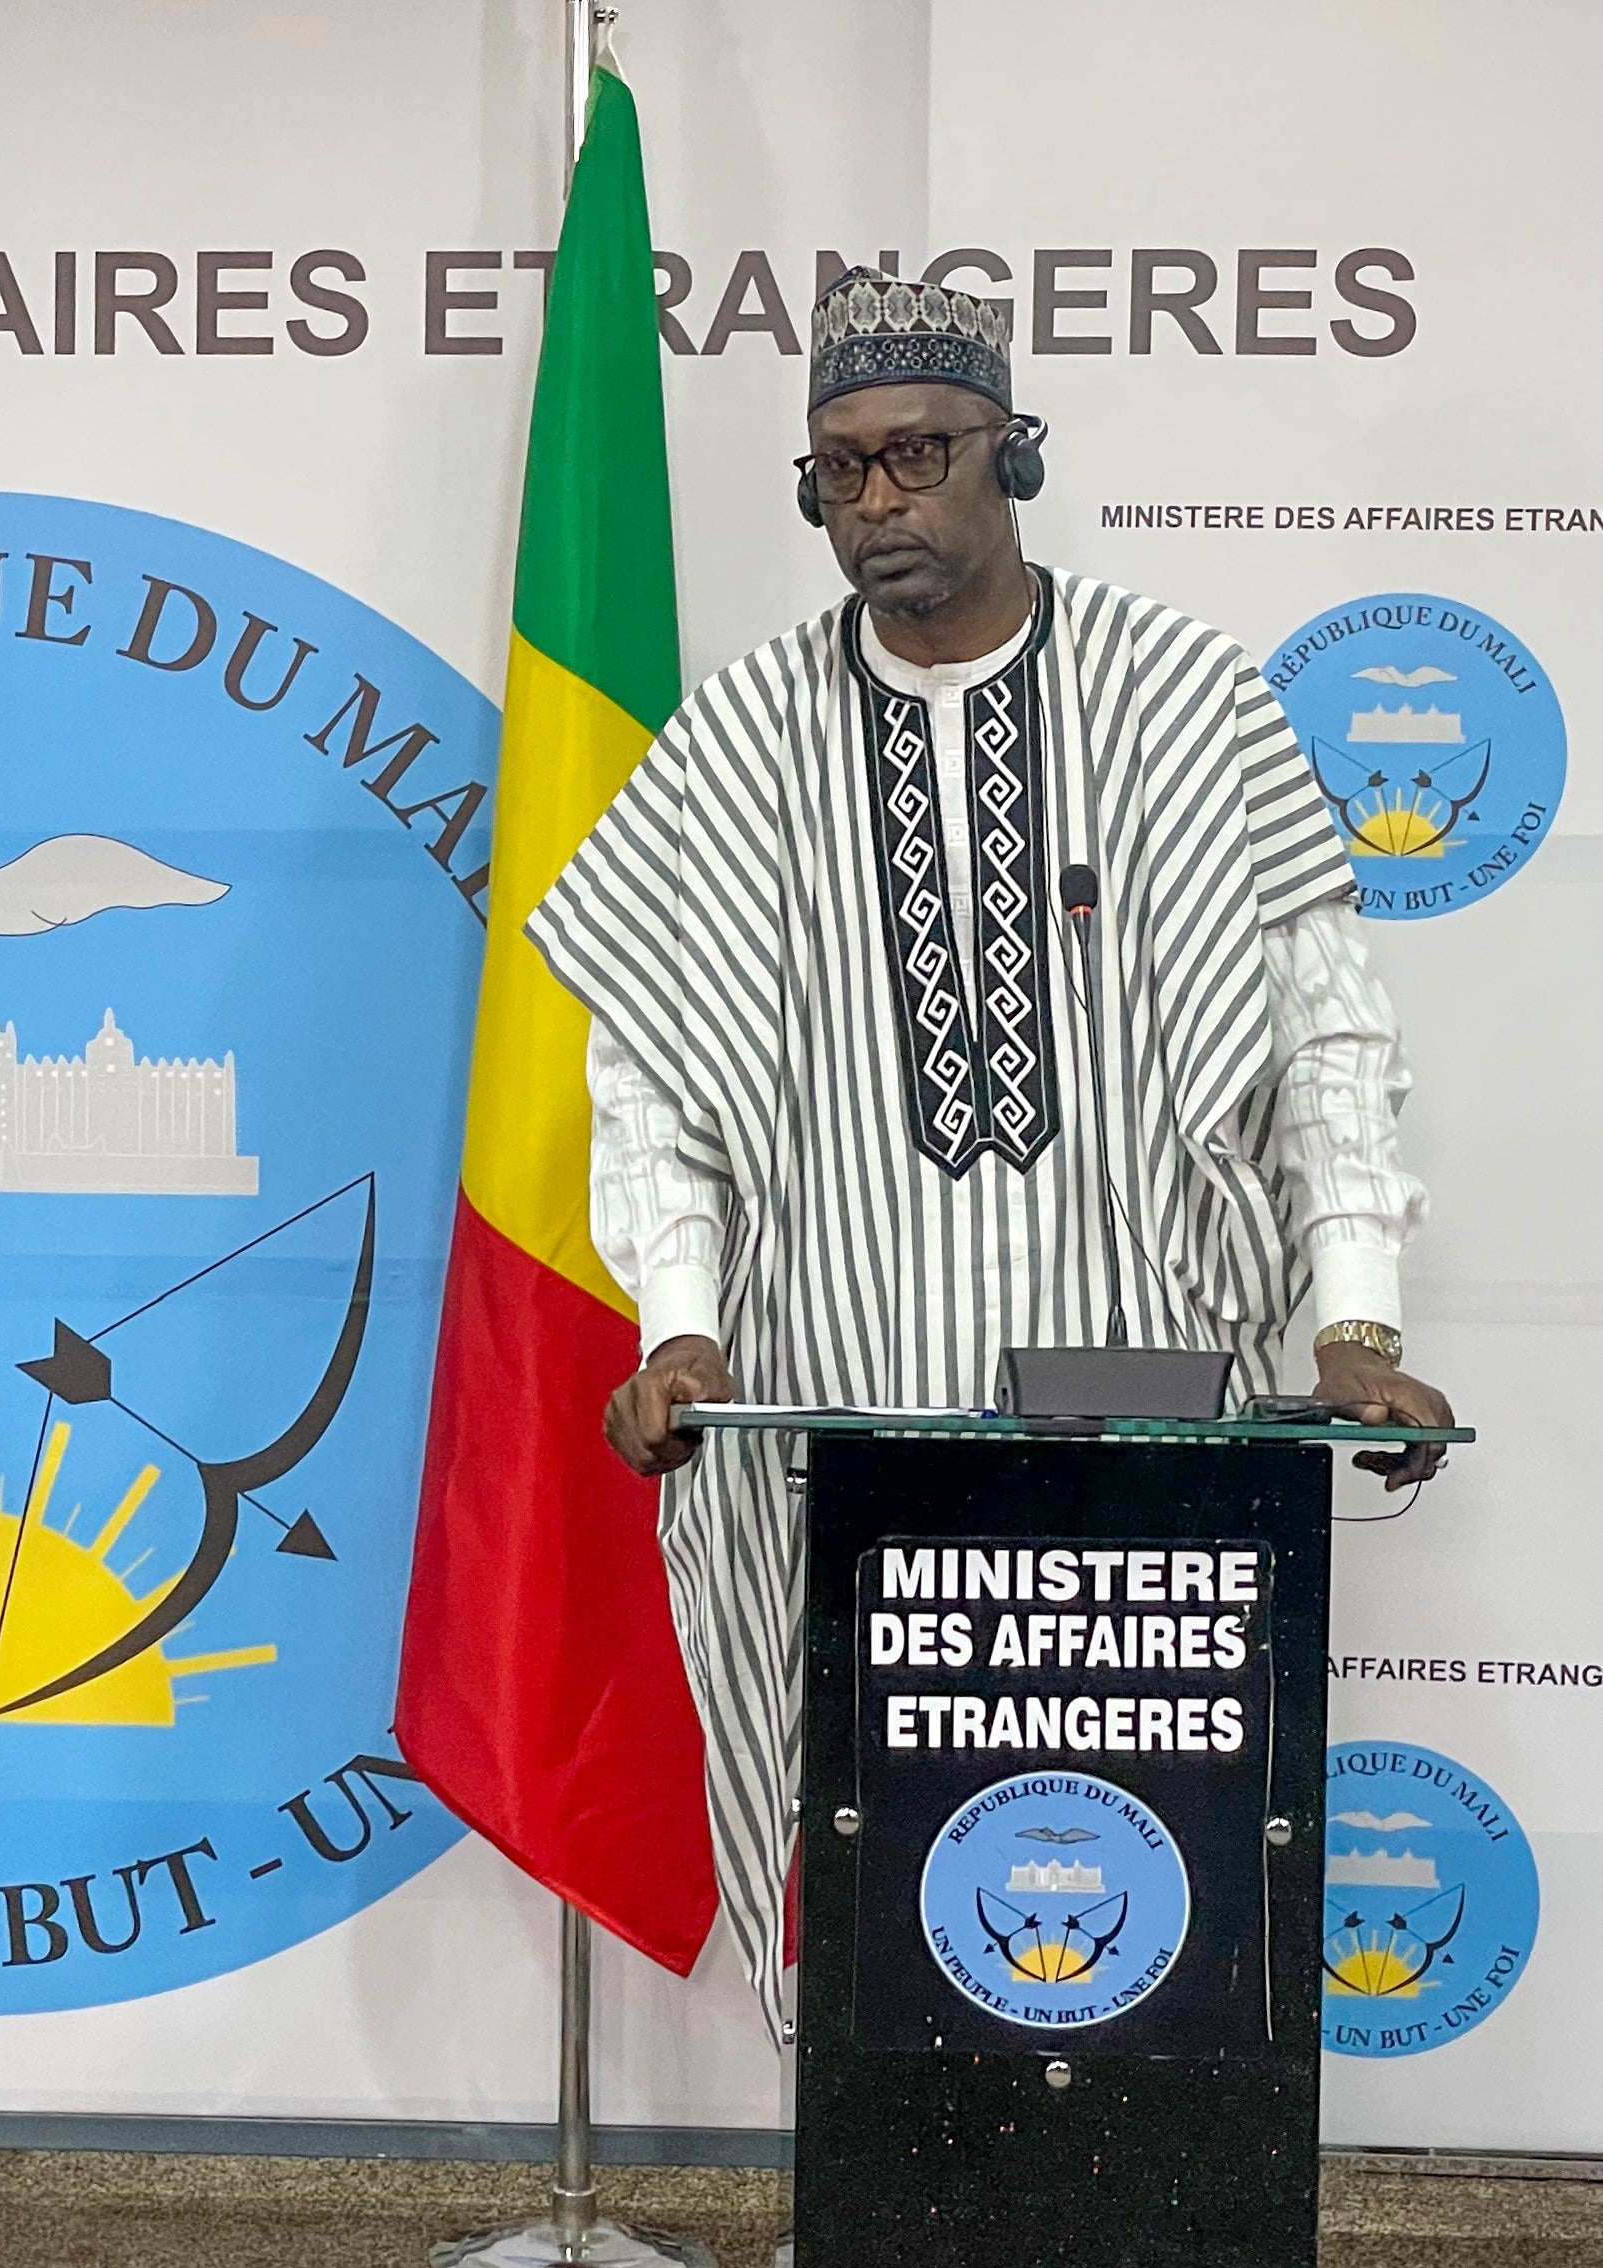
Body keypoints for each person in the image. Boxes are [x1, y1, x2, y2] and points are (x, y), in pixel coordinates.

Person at [523, 274, 1453, 2025]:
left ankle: (1131, 2260)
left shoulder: (1186, 700)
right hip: (847, 1413)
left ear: (1011, 455)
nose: (876, 506)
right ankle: (898, 2251)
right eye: (838, 475)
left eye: (917, 458)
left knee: (1146, 1842)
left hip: (1144, 1411)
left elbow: (1329, 1028)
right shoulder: (742, 739)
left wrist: (1361, 1319)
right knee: (894, 1848)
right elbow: (648, 1070)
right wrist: (679, 1323)